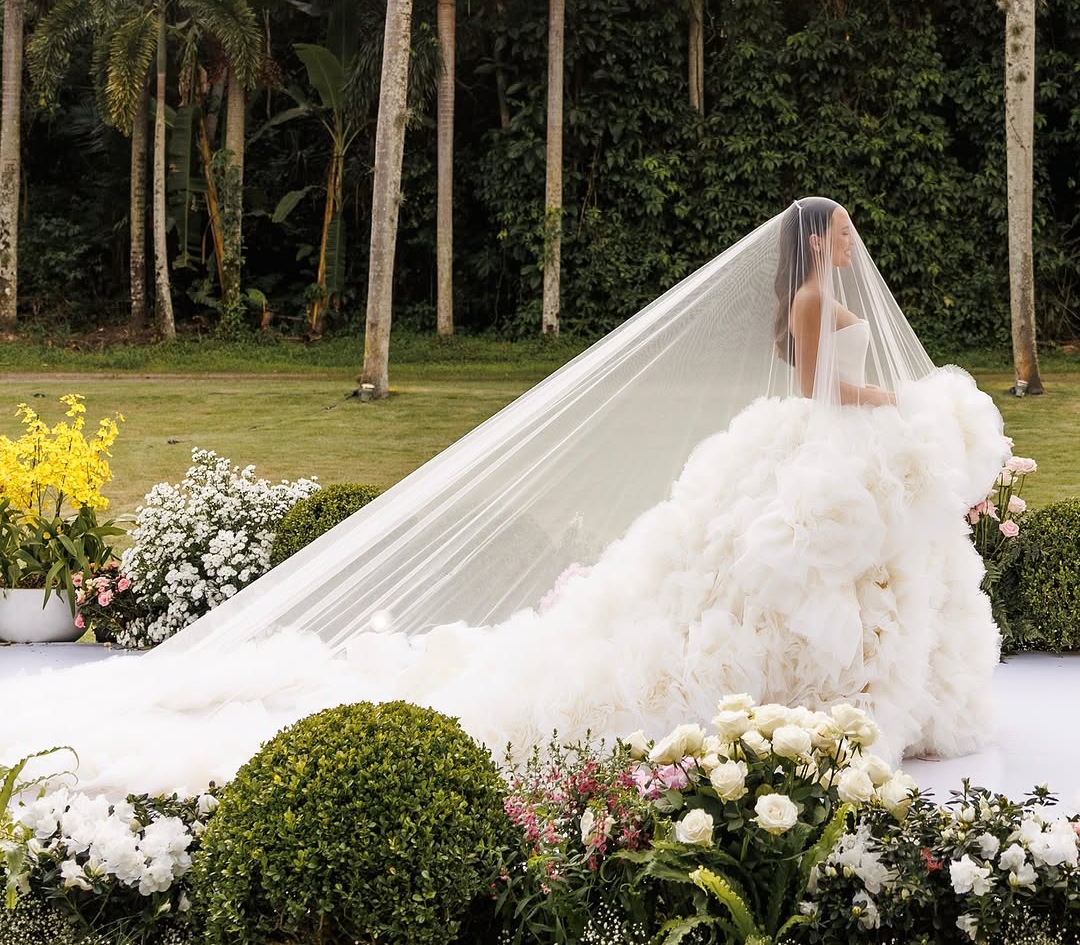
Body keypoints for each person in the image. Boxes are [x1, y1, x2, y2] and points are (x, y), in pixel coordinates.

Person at [1, 199, 1006, 797]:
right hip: (832, 440)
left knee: (863, 576)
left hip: (838, 449)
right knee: (775, 576)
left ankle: (862, 702)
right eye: (838, 230)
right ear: (818, 242)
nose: (846, 239)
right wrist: (905, 399)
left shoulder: (823, 296)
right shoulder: (812, 300)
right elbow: (821, 388)